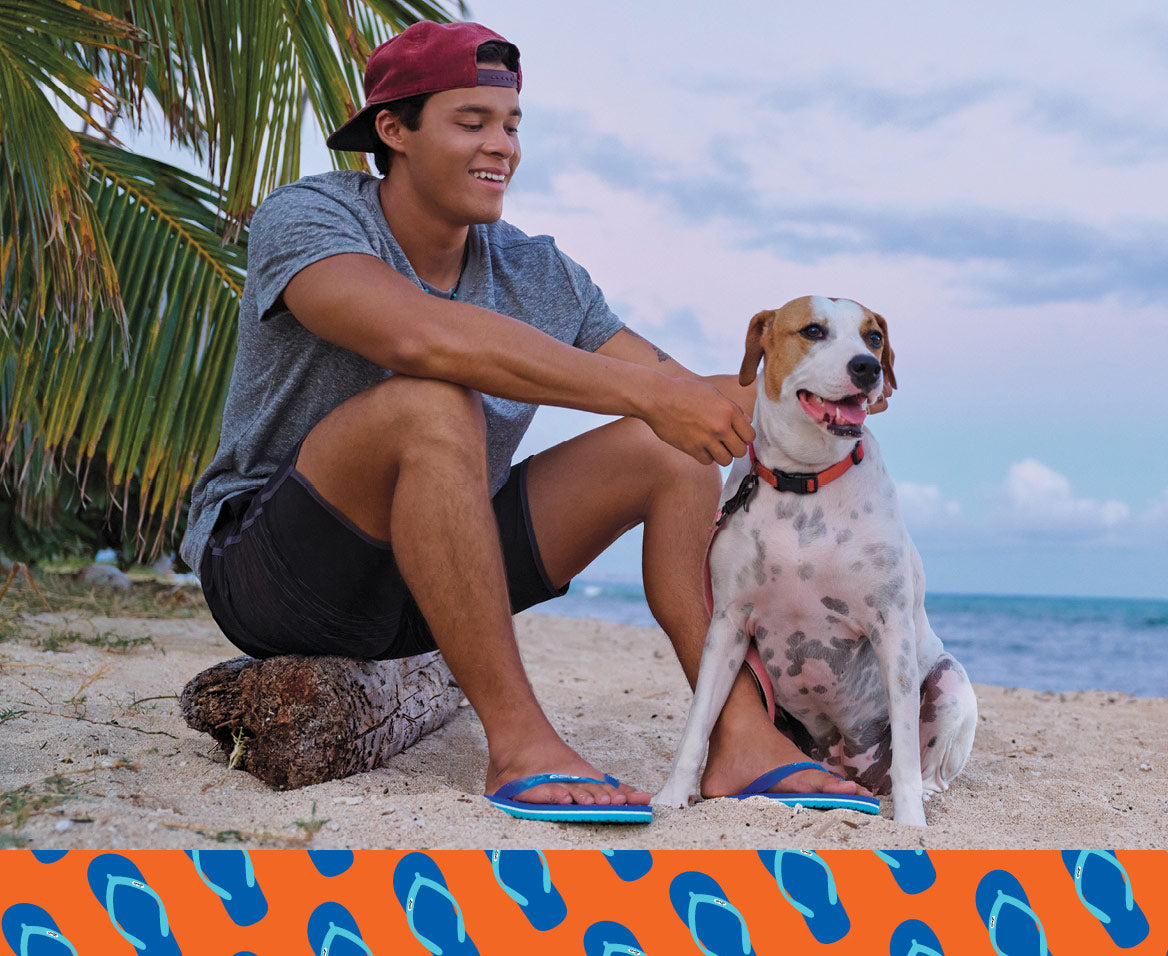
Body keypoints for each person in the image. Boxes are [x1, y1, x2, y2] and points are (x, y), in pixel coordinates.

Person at [178, 20, 871, 814]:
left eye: (511, 125)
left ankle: (740, 739)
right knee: (433, 404)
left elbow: (676, 392)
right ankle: (518, 745)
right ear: (393, 130)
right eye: (470, 122)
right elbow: (419, 336)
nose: (500, 145)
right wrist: (648, 396)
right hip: (277, 573)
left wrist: (828, 382)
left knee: (670, 450)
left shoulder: (537, 271)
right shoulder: (310, 217)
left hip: (432, 584)